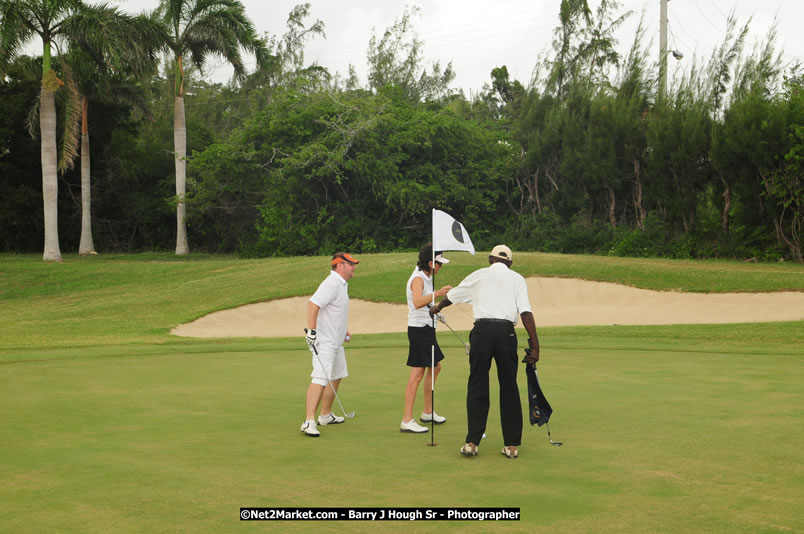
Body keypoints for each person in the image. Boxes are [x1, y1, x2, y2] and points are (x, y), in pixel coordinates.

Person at [429, 245, 539, 459]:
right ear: (509, 263)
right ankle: (512, 445)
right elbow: (525, 312)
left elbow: (453, 296)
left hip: (482, 332)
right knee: (509, 386)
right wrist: (535, 345)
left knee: (478, 383)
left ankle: (472, 442)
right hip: (506, 333)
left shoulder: (479, 275)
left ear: (490, 259)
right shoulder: (517, 279)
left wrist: (437, 308)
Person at [300, 252, 359, 437]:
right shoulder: (332, 282)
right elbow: (313, 304)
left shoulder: (342, 284)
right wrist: (311, 331)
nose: (354, 267)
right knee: (320, 378)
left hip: (336, 341)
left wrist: (344, 330)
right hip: (324, 342)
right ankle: (308, 421)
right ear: (340, 265)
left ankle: (325, 415)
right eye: (351, 264)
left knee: (337, 374)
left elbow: (335, 310)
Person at [401, 244, 453, 433]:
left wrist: (436, 312)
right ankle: (407, 419)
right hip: (419, 330)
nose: (441, 267)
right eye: (439, 263)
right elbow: (416, 302)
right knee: (416, 375)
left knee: (435, 367)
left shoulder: (427, 277)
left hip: (427, 328)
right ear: (431, 263)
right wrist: (438, 294)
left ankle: (428, 412)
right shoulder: (418, 278)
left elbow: (426, 303)